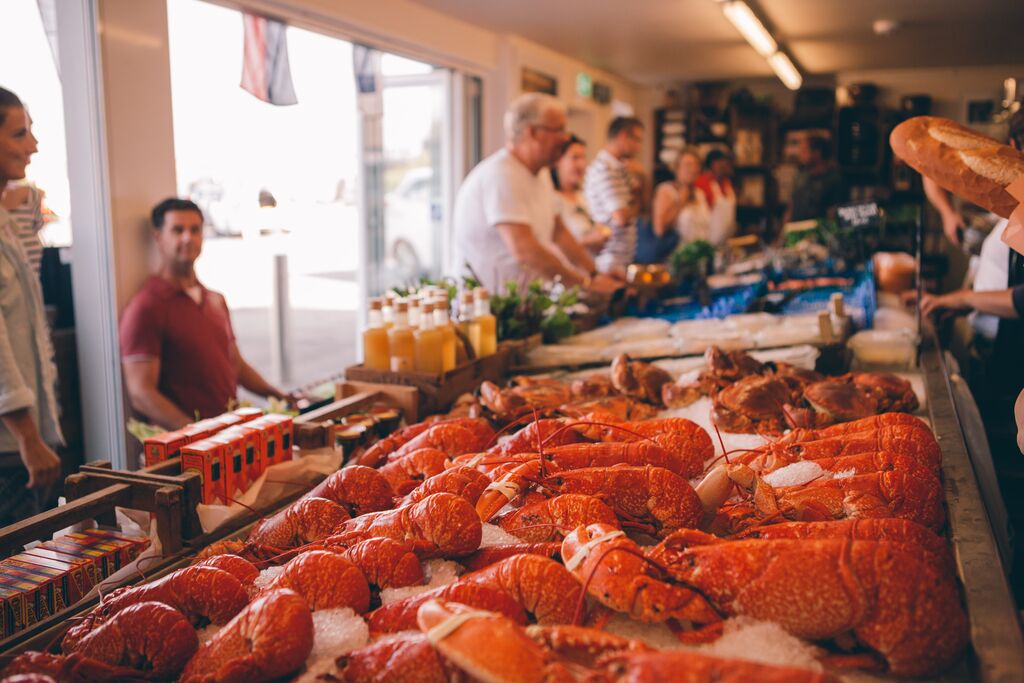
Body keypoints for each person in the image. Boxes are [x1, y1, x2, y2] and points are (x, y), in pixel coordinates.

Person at [119, 198, 292, 429]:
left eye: (195, 230)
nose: (188, 238)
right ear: (159, 237)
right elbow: (141, 393)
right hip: (187, 452)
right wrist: (197, 433)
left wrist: (279, 396)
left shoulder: (216, 300)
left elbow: (235, 365)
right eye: (178, 230)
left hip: (229, 437)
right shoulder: (146, 307)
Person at [451, 93, 620, 293]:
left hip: (525, 303)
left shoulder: (542, 173)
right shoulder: (502, 174)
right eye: (557, 130)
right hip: (486, 309)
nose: (565, 137)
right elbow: (525, 250)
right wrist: (585, 286)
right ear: (531, 132)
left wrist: (594, 273)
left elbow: (558, 231)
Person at [0, 87, 62, 524]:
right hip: (8, 445)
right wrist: (26, 436)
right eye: (20, 134)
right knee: (14, 579)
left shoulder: (8, 214)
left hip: (25, 435)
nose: (33, 146)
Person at [584, 116, 645, 274]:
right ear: (624, 135)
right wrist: (635, 205)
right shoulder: (605, 169)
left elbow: (642, 203)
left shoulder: (621, 169)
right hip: (609, 260)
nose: (638, 148)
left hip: (623, 257)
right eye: (637, 140)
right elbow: (622, 217)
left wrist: (642, 178)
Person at [550, 134, 609, 255]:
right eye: (575, 158)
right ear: (558, 161)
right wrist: (586, 241)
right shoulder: (551, 199)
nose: (581, 165)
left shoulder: (583, 197)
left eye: (583, 158)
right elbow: (551, 248)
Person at [652, 148, 711, 245]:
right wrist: (680, 203)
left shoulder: (700, 194)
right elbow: (659, 230)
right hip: (677, 255)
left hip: (701, 253)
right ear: (677, 168)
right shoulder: (666, 190)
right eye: (688, 165)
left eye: (696, 164)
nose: (693, 169)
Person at [785, 135, 845, 223]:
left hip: (818, 232)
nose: (800, 155)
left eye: (804, 151)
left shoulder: (834, 180)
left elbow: (834, 214)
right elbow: (791, 207)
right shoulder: (800, 176)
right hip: (796, 231)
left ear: (817, 153)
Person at [693, 148, 737, 245]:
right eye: (725, 162)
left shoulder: (727, 183)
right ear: (714, 164)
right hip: (709, 242)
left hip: (727, 241)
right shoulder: (702, 183)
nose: (728, 166)